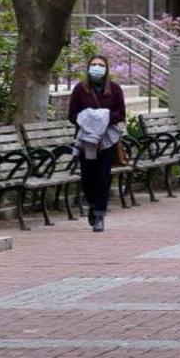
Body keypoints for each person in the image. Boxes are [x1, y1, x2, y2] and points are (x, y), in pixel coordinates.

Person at [68, 55, 127, 231]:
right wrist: (89, 120)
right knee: (88, 178)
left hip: (107, 141)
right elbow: (72, 115)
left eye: (100, 65)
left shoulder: (115, 89)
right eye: (93, 64)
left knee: (103, 177)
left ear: (106, 68)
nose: (97, 67)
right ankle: (92, 205)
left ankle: (100, 214)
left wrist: (104, 117)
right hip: (87, 142)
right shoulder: (80, 89)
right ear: (88, 68)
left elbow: (121, 113)